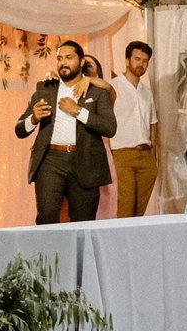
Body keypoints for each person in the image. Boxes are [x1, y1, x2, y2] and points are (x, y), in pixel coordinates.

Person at [14, 39, 118, 225]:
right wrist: (33, 119)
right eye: (60, 58)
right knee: (46, 218)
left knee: (83, 223)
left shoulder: (97, 92)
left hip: (85, 161)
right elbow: (19, 129)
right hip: (51, 161)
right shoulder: (45, 88)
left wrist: (78, 111)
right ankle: (48, 255)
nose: (63, 63)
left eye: (69, 58)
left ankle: (79, 255)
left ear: (81, 61)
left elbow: (110, 128)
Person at [108, 40, 159, 217]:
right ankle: (120, 243)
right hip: (123, 153)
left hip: (145, 156)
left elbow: (152, 124)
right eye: (137, 59)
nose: (141, 64)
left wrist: (153, 157)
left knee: (139, 213)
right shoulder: (113, 86)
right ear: (127, 60)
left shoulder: (147, 91)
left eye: (145, 61)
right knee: (125, 208)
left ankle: (135, 244)